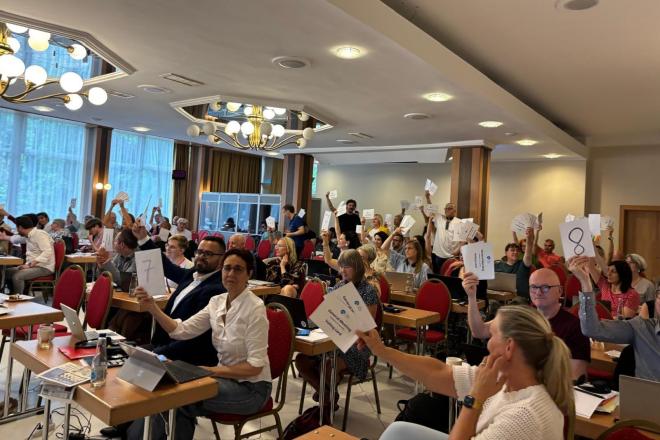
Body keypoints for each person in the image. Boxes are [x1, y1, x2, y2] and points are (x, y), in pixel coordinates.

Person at [361, 304, 573, 440]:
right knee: (399, 431)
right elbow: (437, 373)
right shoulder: (505, 379)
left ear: (509, 347)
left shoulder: (524, 416)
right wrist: (381, 350)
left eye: (492, 336)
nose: (487, 344)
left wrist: (475, 398)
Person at [126, 248, 271, 440]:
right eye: (227, 268)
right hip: (224, 378)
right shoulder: (217, 301)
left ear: (249, 274)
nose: (230, 274)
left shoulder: (255, 309)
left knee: (179, 400)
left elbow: (254, 367)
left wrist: (209, 370)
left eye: (238, 269)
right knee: (168, 394)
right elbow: (181, 331)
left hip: (251, 389)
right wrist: (152, 307)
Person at [464, 269, 590, 380]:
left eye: (545, 287)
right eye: (534, 287)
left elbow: (575, 378)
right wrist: (471, 297)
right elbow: (479, 331)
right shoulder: (522, 315)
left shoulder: (575, 326)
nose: (538, 292)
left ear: (560, 291)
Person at [295, 249, 379, 414]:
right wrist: (307, 325)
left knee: (329, 366)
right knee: (301, 360)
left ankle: (326, 401)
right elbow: (326, 314)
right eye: (341, 267)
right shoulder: (339, 286)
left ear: (356, 267)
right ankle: (328, 395)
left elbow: (367, 328)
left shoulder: (368, 291)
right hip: (333, 339)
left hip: (357, 345)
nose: (342, 271)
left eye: (346, 267)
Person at [571, 256, 660, 381]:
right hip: (643, 393)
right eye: (659, 295)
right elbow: (592, 329)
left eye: (614, 271)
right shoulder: (642, 328)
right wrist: (585, 283)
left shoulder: (632, 294)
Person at [0, 215, 54, 294]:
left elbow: (47, 251)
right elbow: (16, 238)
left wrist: (29, 265)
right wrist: (5, 237)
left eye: (17, 228)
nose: (17, 231)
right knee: (5, 273)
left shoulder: (40, 234)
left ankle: (18, 298)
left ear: (20, 227)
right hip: (33, 266)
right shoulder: (28, 235)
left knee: (17, 276)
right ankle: (9, 295)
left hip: (44, 267)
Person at [495, 227, 534, 302]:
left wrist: (529, 238)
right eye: (512, 250)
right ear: (506, 253)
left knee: (516, 302)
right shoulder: (498, 265)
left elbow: (528, 252)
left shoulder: (523, 264)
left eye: (517, 251)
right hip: (500, 297)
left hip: (519, 298)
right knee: (491, 302)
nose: (515, 252)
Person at [427, 202, 462, 273]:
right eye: (446, 208)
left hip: (451, 256)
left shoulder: (459, 222)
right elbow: (431, 208)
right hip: (439, 255)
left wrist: (457, 252)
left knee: (449, 276)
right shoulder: (439, 218)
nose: (447, 210)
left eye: (450, 208)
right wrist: (427, 198)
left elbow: (462, 241)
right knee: (438, 275)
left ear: (455, 211)